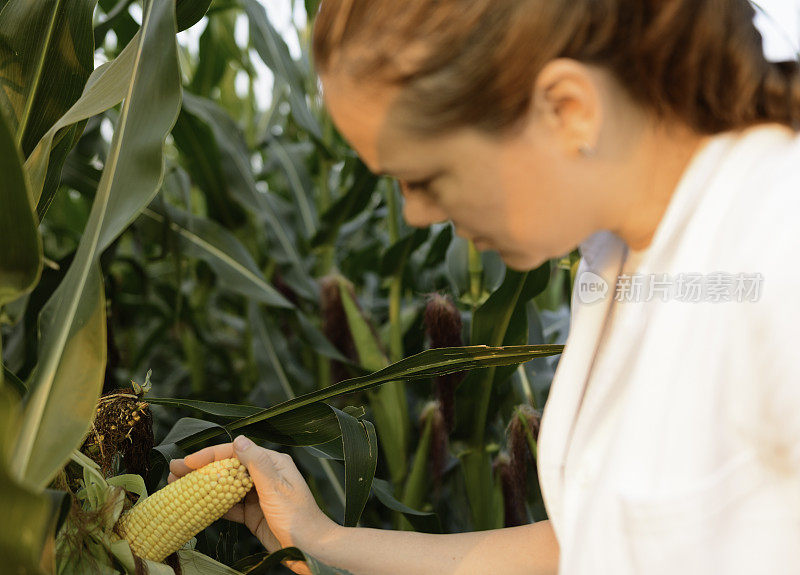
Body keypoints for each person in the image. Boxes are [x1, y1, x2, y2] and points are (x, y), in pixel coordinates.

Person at [168, 1, 800, 573]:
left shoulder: (776, 249)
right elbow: (591, 548)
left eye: (427, 178)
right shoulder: (614, 261)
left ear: (568, 110)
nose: (414, 215)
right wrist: (318, 538)